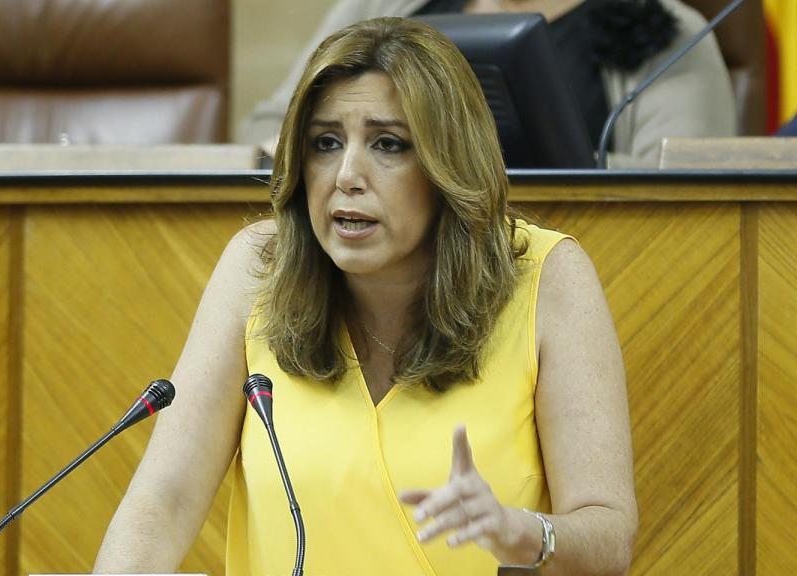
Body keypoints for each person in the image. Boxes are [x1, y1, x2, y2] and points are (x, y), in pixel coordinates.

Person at [94, 16, 636, 575]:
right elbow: (164, 500)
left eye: (388, 144)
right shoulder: (259, 269)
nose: (347, 175)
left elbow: (608, 536)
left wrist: (524, 533)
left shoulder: (547, 278)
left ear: (449, 165)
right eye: (326, 143)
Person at [239, 0, 736, 168]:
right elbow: (265, 129)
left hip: (585, 266)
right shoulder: (385, 5)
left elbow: (682, 187)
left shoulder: (668, 30)